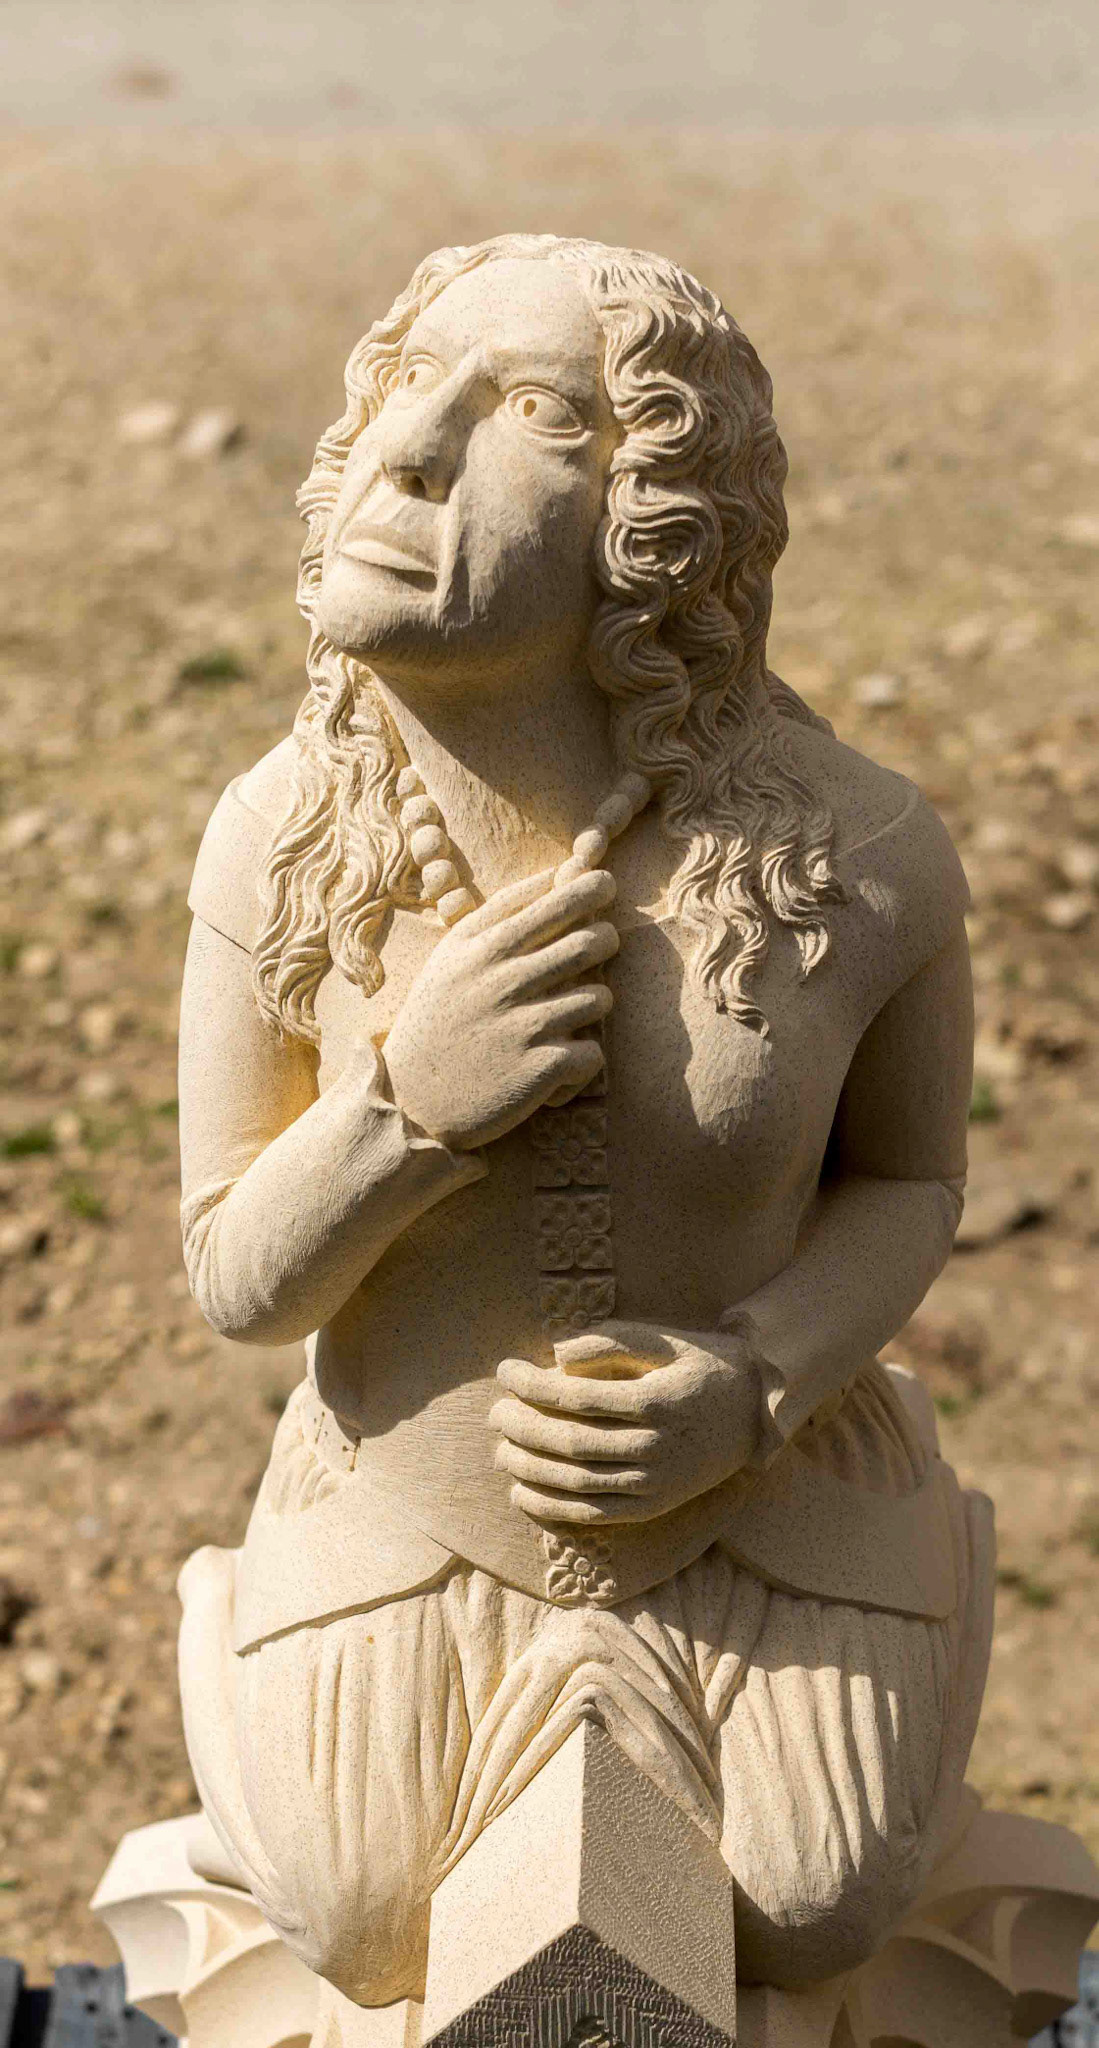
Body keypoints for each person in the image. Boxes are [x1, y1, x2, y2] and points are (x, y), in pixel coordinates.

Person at [176, 235, 992, 2000]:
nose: (409, 453)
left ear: (660, 532)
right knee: (352, 1912)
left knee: (817, 1897)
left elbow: (909, 1183)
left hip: (748, 1483)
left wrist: (764, 1380)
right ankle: (231, 1613)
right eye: (410, 388)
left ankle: (919, 1538)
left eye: (529, 413)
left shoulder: (858, 857)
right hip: (417, 1481)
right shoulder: (282, 839)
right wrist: (403, 1108)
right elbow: (239, 1276)